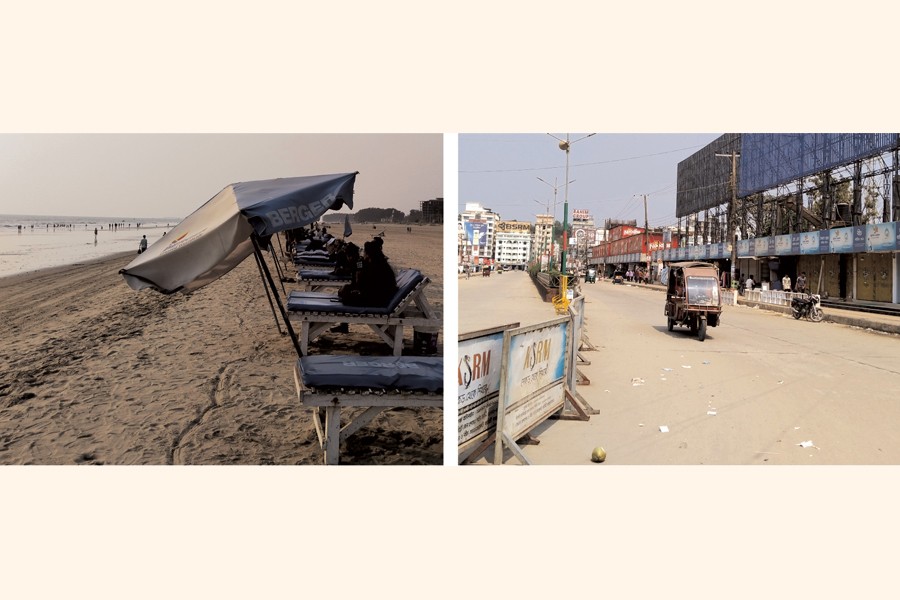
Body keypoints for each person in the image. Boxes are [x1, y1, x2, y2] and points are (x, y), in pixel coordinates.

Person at [332, 239, 399, 333]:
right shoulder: (380, 264)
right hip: (380, 298)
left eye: (364, 253)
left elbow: (361, 284)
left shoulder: (375, 267)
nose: (363, 255)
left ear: (368, 254)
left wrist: (359, 271)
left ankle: (344, 326)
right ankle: (343, 325)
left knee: (346, 294)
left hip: (377, 300)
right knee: (346, 290)